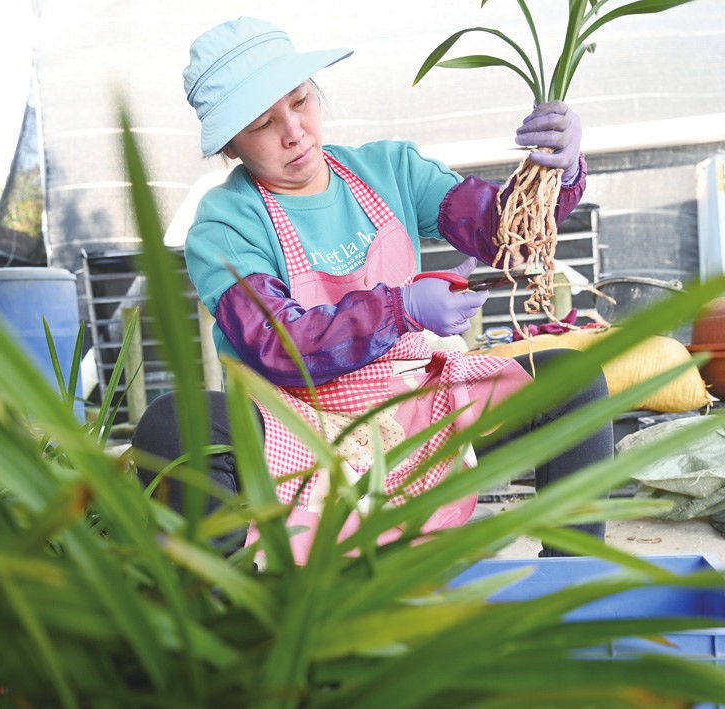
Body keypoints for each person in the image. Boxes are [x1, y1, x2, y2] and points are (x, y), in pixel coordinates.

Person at [133, 16, 612, 563]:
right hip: (300, 428)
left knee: (571, 379)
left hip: (415, 406)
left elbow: (506, 232)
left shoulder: (390, 170)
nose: (294, 131)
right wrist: (402, 308)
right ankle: (222, 603)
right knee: (177, 423)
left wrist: (558, 171)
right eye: (263, 124)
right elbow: (280, 344)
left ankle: (574, 581)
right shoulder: (225, 224)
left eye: (300, 101)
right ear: (232, 146)